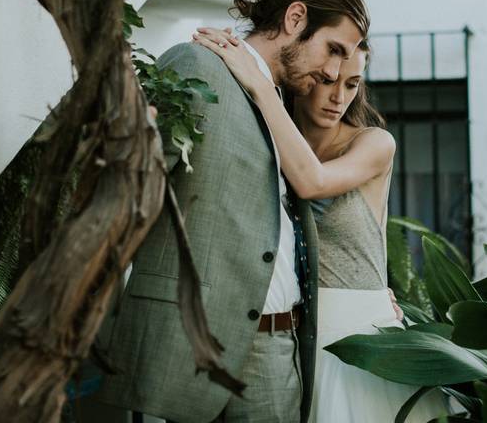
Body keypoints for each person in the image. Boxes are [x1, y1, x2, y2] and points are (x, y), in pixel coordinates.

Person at [91, 0, 369, 423]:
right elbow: (124, 189)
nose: (334, 72)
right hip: (189, 342)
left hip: (278, 349)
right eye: (333, 49)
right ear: (295, 19)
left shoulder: (286, 107)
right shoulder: (196, 65)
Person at [190, 26, 449, 422]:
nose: (339, 98)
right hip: (291, 336)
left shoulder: (374, 143)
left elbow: (314, 182)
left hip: (363, 337)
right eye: (328, 81)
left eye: (352, 84)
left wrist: (258, 83)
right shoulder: (267, 144)